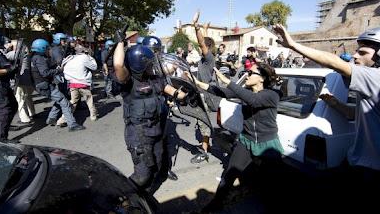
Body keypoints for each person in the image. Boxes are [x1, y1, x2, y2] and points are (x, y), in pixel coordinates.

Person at [273, 24, 380, 208]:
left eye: (362, 53)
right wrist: (335, 103)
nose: (355, 55)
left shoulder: (375, 77)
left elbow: (334, 62)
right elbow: (357, 114)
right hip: (356, 161)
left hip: (371, 170)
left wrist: (293, 45)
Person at [188, 63, 282, 211]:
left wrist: (228, 81)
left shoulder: (272, 95)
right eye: (246, 72)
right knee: (230, 174)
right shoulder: (247, 91)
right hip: (246, 140)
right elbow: (223, 93)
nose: (246, 75)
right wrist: (196, 82)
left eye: (250, 73)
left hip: (267, 143)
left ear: (262, 78)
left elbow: (254, 100)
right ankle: (216, 204)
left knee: (271, 181)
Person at [113, 37, 187, 193]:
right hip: (139, 134)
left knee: (157, 164)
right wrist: (120, 42)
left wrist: (185, 95)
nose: (153, 65)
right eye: (149, 63)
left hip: (156, 129)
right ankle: (124, 197)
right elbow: (118, 65)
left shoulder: (154, 79)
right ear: (140, 65)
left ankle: (145, 196)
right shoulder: (128, 82)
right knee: (143, 174)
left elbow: (170, 90)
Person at [142, 35, 178, 181]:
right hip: (145, 113)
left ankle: (165, 168)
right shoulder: (137, 67)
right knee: (147, 144)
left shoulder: (159, 65)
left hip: (161, 108)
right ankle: (148, 173)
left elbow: (166, 82)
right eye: (152, 51)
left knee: (164, 139)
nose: (154, 54)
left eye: (156, 50)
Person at [30, 39, 85, 132]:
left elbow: (46, 68)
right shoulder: (39, 58)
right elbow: (45, 73)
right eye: (47, 48)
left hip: (41, 84)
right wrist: (59, 70)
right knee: (65, 102)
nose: (49, 50)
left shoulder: (35, 57)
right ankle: (72, 124)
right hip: (44, 85)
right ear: (42, 48)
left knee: (59, 99)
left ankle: (51, 118)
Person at [190, 12, 219, 164]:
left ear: (206, 48)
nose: (199, 47)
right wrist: (205, 29)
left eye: (202, 46)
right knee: (201, 122)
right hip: (202, 94)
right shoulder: (206, 58)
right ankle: (206, 145)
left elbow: (203, 43)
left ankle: (204, 151)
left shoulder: (208, 59)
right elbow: (206, 42)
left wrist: (196, 27)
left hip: (206, 96)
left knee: (203, 123)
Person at [59, 45, 98, 122]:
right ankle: (93, 116)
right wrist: (90, 57)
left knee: (73, 102)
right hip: (83, 83)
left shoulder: (69, 58)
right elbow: (94, 67)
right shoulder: (84, 57)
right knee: (89, 101)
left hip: (72, 84)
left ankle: (63, 119)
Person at [5, 39, 36, 125]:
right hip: (28, 79)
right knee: (28, 97)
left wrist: (7, 48)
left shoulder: (16, 53)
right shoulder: (27, 53)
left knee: (20, 99)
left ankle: (25, 119)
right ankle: (32, 113)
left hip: (20, 80)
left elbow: (3, 57)